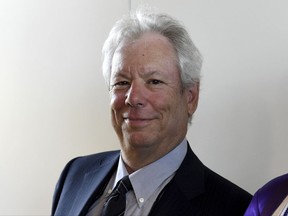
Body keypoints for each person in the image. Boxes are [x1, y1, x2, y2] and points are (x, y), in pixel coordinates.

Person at [51, 7, 252, 216]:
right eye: (122, 82)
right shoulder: (75, 175)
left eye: (154, 81)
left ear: (190, 97)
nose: (133, 98)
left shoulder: (235, 208)